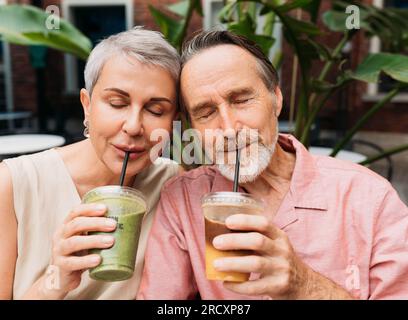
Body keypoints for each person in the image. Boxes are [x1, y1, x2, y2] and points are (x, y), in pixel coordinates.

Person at [137, 30, 408, 300]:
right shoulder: (182, 201)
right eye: (206, 112)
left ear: (276, 99)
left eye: (241, 100)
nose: (229, 129)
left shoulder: (369, 198)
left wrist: (305, 285)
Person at [0, 27, 182, 299]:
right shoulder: (14, 184)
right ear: (87, 105)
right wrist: (56, 280)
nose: (133, 127)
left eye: (156, 110)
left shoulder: (172, 184)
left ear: (173, 120)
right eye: (117, 103)